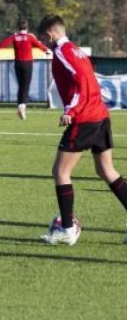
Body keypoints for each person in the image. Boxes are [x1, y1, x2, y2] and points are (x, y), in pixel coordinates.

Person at [38, 14, 127, 245]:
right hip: (100, 114)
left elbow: (80, 81)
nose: (45, 45)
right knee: (107, 170)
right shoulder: (77, 50)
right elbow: (88, 77)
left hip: (85, 118)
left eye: (43, 40)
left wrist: (71, 110)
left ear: (49, 35)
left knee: (60, 172)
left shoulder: (62, 52)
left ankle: (68, 229)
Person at [0, 19, 48, 120]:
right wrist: (47, 51)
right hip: (28, 63)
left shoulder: (15, 37)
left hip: (17, 64)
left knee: (21, 85)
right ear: (27, 27)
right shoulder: (30, 37)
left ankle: (19, 106)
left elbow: (3, 44)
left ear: (19, 27)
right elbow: (40, 45)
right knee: (26, 86)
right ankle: (23, 107)